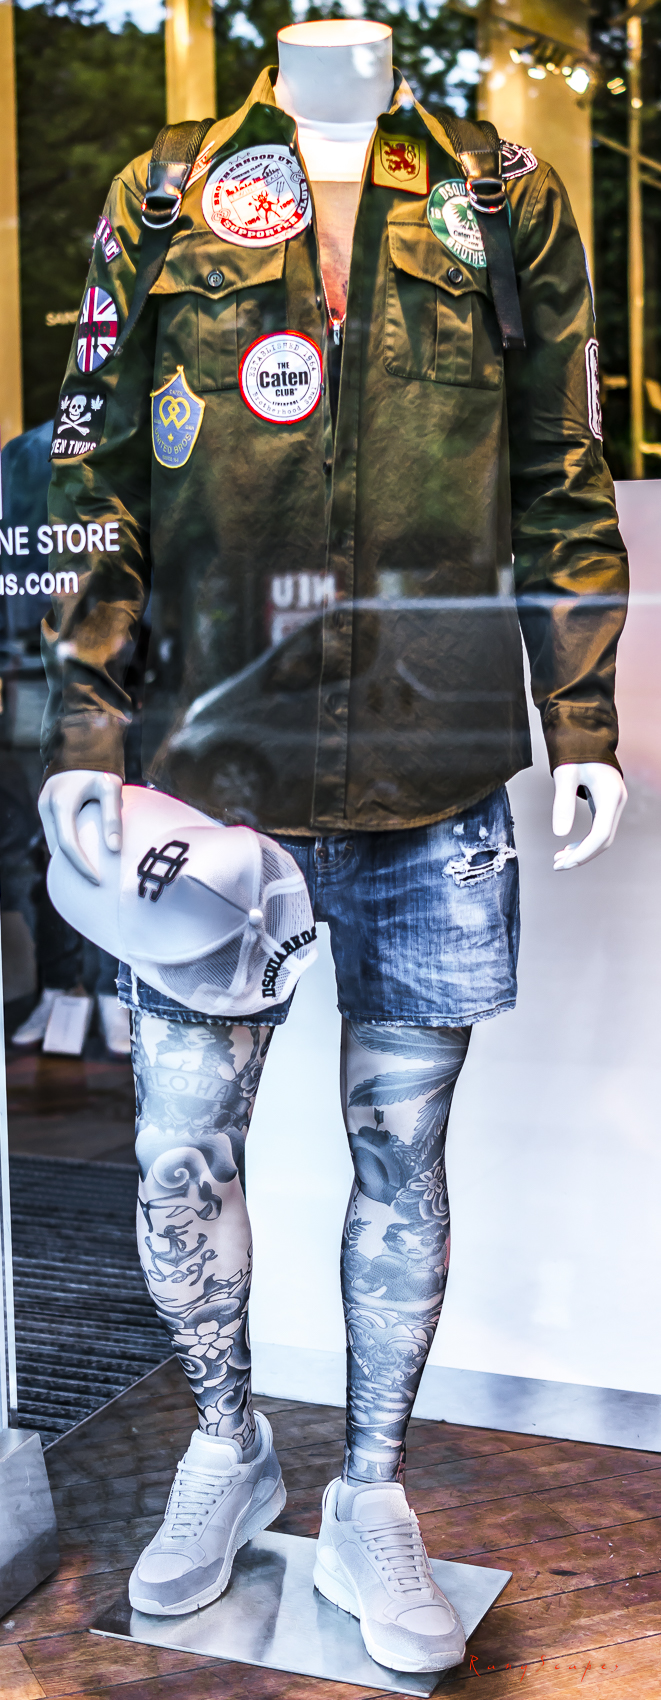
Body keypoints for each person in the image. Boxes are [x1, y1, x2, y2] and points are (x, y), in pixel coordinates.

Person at [38, 17, 628, 1675]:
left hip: (431, 773)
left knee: (400, 1152)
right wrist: (79, 733)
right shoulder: (165, 193)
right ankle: (225, 1447)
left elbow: (559, 468)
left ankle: (371, 1487)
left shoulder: (499, 196)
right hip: (205, 782)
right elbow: (90, 478)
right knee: (179, 1148)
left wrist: (577, 718)